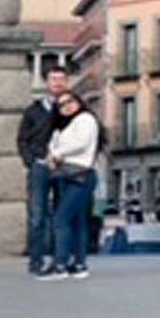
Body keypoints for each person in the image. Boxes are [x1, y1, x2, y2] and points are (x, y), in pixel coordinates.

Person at [44, 90, 103, 278]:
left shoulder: (86, 119)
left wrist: (57, 154)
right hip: (67, 174)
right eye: (61, 105)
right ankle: (78, 264)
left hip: (80, 174)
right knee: (76, 221)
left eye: (70, 101)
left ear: (78, 101)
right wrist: (54, 154)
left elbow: (81, 143)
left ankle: (60, 264)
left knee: (60, 218)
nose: (67, 106)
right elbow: (53, 146)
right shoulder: (62, 126)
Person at [16, 66, 65, 277]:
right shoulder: (33, 111)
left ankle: (59, 260)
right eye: (54, 79)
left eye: (62, 79)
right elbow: (22, 139)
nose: (58, 83)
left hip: (64, 168)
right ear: (47, 82)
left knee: (61, 216)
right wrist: (31, 162)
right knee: (37, 216)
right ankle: (35, 261)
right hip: (40, 167)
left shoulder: (71, 110)